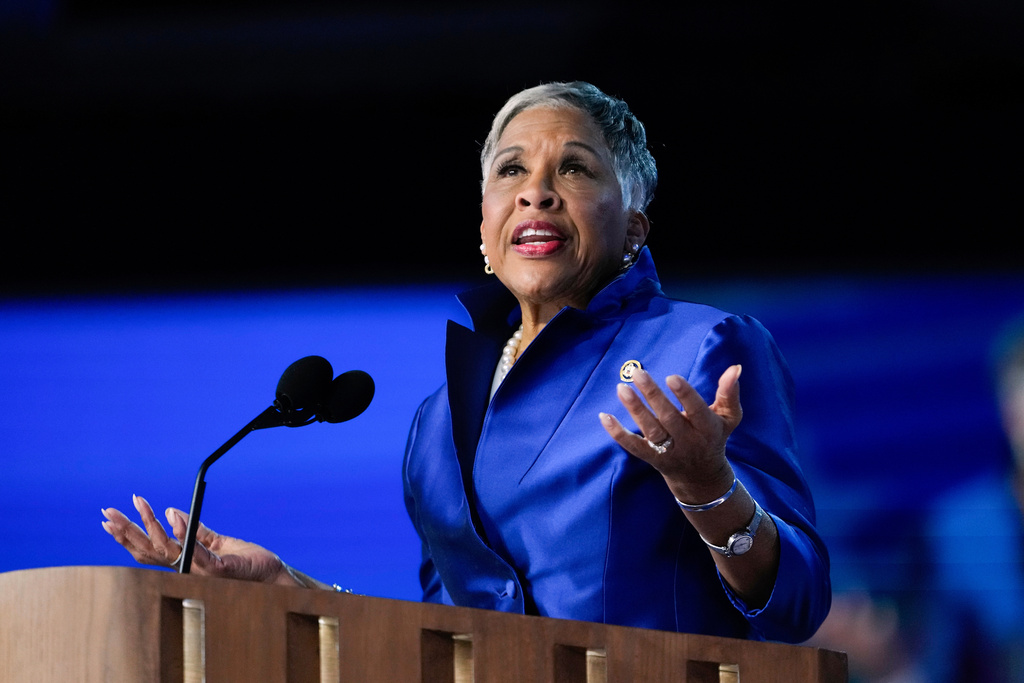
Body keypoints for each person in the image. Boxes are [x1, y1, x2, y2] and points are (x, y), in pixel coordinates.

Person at [102, 81, 831, 643]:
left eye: (574, 168)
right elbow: (443, 644)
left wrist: (708, 487)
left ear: (633, 228)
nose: (536, 190)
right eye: (511, 169)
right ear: (486, 226)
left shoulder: (704, 349)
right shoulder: (438, 422)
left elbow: (797, 599)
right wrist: (290, 590)